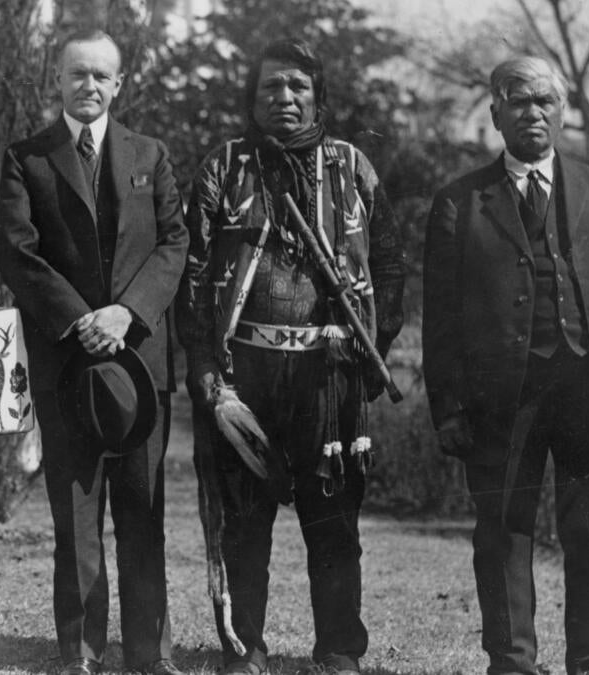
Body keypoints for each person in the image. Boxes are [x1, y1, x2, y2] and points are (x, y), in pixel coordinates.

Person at [176, 39, 405, 675]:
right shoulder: (226, 167)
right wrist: (202, 367)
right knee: (243, 524)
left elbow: (389, 265)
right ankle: (245, 647)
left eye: (298, 87)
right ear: (253, 98)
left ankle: (337, 649)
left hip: (331, 374)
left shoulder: (353, 168)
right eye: (272, 87)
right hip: (244, 371)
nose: (285, 97)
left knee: (333, 519)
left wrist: (372, 351)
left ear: (318, 97)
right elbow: (192, 275)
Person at [422, 56, 589, 675]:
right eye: (519, 100)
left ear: (563, 112)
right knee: (502, 532)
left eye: (546, 101)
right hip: (503, 395)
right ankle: (513, 661)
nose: (534, 112)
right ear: (496, 113)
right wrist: (447, 407)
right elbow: (441, 320)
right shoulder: (460, 202)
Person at [0, 28, 189, 675]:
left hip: (139, 364)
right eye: (77, 74)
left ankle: (147, 654)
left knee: (142, 512)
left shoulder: (151, 154)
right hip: (68, 364)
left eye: (101, 76)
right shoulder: (27, 158)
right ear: (59, 79)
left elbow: (175, 243)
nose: (89, 86)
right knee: (76, 518)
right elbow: (18, 254)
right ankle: (79, 652)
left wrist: (125, 312)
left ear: (119, 83)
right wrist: (82, 320)